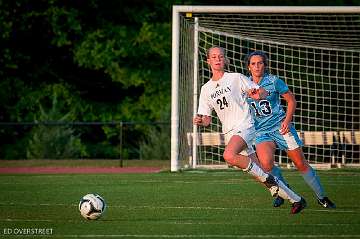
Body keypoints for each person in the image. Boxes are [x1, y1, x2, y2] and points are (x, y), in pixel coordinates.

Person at [193, 46, 306, 214]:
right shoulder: (206, 89)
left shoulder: (236, 78)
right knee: (258, 171)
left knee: (229, 155)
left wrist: (259, 94)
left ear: (225, 60)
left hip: (245, 126)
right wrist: (200, 121)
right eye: (214, 57)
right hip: (230, 132)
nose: (217, 59)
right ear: (208, 61)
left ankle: (270, 181)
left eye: (221, 56)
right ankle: (296, 199)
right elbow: (208, 120)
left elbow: (261, 91)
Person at [245, 50, 336, 209]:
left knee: (300, 164)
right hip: (261, 132)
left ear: (265, 65)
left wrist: (287, 121)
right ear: (248, 67)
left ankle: (322, 197)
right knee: (266, 165)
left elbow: (291, 100)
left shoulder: (274, 81)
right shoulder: (244, 84)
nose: (257, 66)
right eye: (253, 63)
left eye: (260, 63)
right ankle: (285, 191)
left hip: (281, 128)